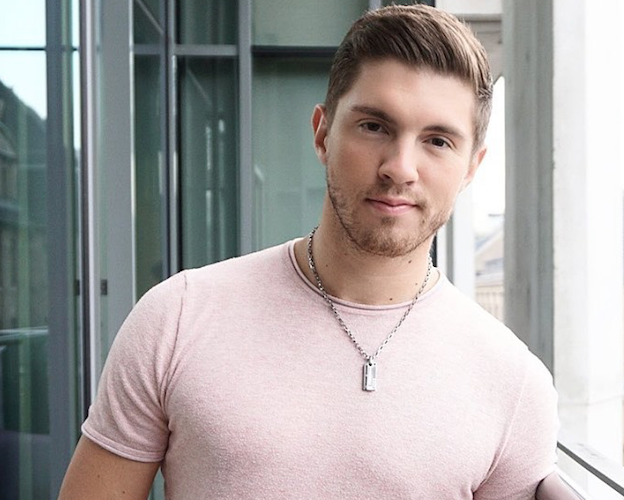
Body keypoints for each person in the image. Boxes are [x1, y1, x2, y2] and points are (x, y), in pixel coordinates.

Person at [58, 5, 559, 499]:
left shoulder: (513, 383)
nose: (400, 167)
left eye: (438, 141)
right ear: (322, 134)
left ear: (471, 168)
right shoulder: (178, 317)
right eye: (374, 126)